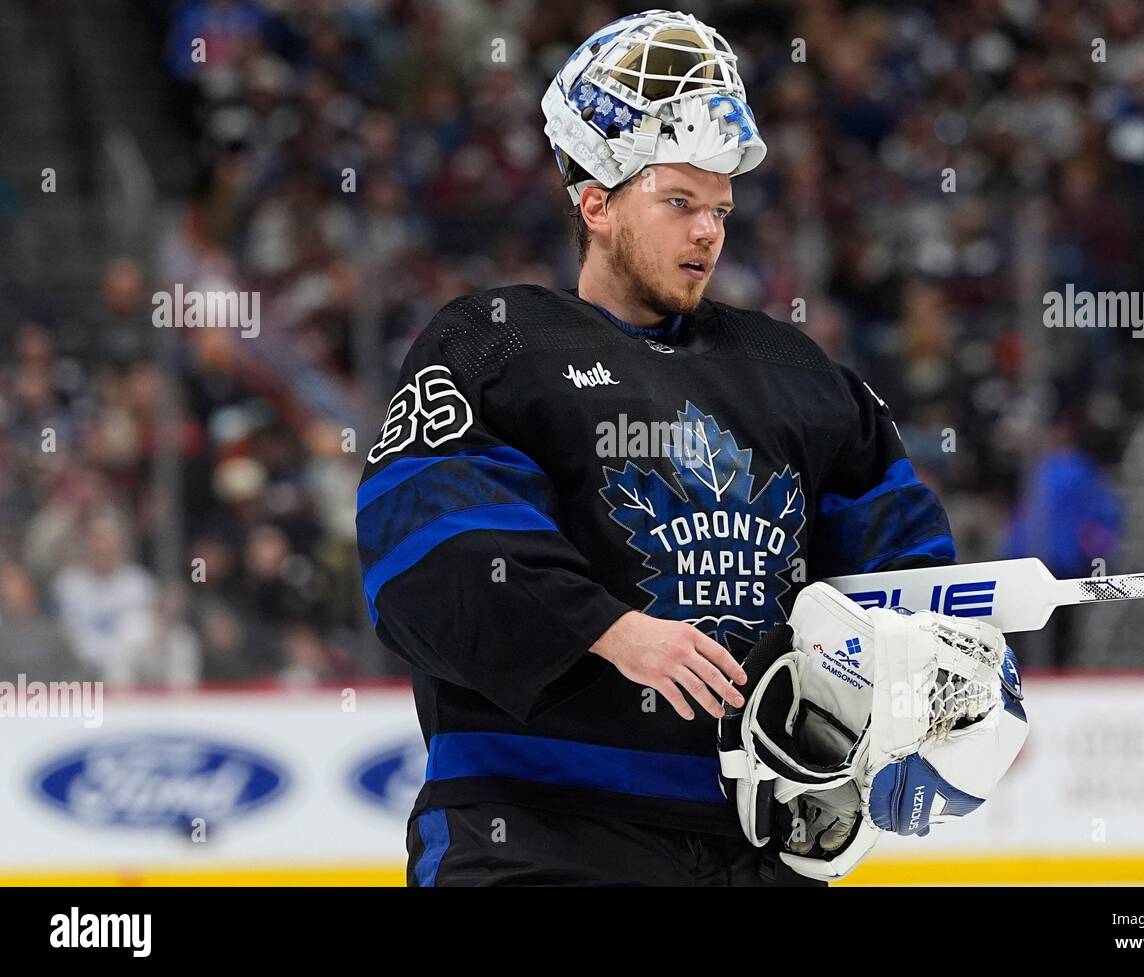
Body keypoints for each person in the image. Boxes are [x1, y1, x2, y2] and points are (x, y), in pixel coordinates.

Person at [356, 9, 1023, 887]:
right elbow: (422, 556)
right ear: (594, 202)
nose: (708, 230)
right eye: (679, 202)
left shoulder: (795, 372)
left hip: (758, 845)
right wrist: (612, 631)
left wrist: (941, 676)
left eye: (719, 207)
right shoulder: (497, 343)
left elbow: (898, 568)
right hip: (535, 834)